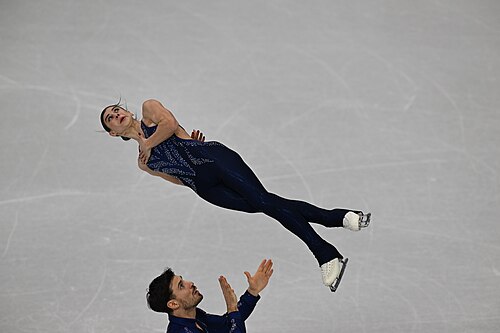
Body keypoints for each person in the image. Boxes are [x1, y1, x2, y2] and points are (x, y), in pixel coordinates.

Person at [100, 99, 371, 291]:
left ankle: (325, 253)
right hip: (205, 188)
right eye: (110, 119)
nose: (116, 115)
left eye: (116, 109)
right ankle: (340, 217)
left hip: (213, 158)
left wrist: (157, 142)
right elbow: (177, 179)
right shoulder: (143, 163)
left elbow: (169, 124)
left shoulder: (149, 110)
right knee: (268, 205)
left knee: (265, 202)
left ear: (126, 110)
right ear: (113, 133)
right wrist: (189, 172)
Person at [147, 259, 274, 333]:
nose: (190, 283)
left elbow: (228, 324)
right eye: (181, 285)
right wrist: (232, 307)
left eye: (183, 280)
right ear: (173, 304)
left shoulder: (196, 317)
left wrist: (252, 292)